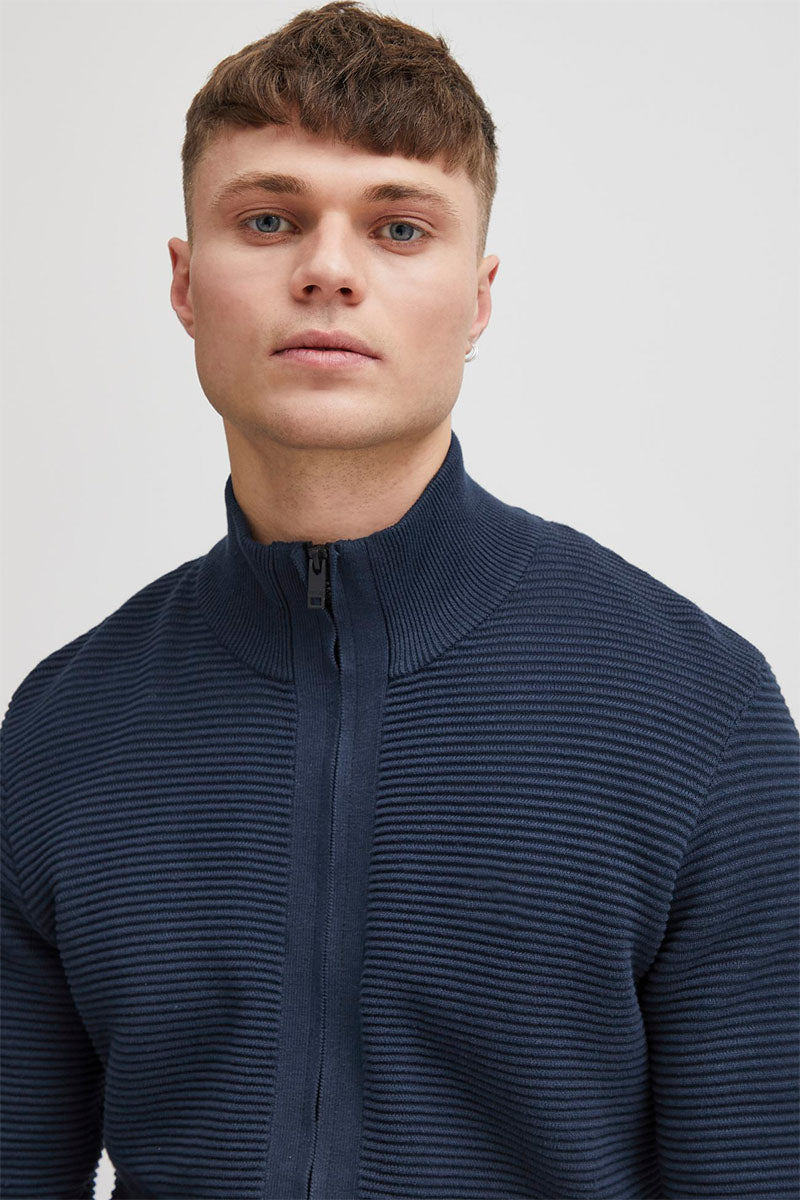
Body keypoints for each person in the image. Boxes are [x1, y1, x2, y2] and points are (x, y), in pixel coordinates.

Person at [2, 1, 798, 1197]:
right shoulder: (64, 726)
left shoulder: (699, 713)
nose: (327, 270)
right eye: (267, 220)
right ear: (184, 282)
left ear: (477, 298)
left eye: (398, 227)